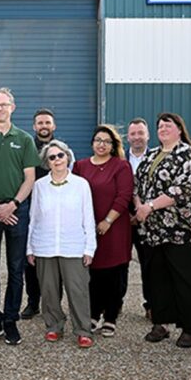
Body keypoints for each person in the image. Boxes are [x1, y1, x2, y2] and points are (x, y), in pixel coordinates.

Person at [0, 88, 41, 346]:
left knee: (16, 268)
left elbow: (30, 178)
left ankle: (10, 320)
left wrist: (12, 205)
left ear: (13, 107)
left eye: (4, 104)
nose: (0, 109)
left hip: (17, 210)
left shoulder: (24, 139)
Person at [134, 113, 191, 348]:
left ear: (179, 129)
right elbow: (137, 184)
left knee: (186, 280)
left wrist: (150, 206)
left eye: (168, 125)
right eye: (160, 126)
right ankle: (162, 323)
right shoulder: (152, 155)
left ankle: (190, 328)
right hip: (154, 231)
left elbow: (184, 188)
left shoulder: (188, 153)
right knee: (158, 279)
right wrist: (139, 207)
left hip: (182, 229)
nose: (163, 129)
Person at [27, 140, 96, 348]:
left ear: (68, 157)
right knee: (48, 290)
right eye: (52, 157)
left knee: (78, 290)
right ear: (47, 162)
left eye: (60, 155)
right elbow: (34, 217)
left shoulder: (81, 184)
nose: (57, 160)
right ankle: (54, 326)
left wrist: (89, 248)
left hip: (73, 246)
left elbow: (88, 217)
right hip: (44, 245)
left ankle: (83, 330)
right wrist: (30, 248)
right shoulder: (39, 186)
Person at [73, 124, 133, 337]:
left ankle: (110, 317)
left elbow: (124, 195)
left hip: (115, 227)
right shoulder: (80, 166)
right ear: (92, 143)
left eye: (106, 141)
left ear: (113, 145)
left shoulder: (121, 166)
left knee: (114, 274)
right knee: (93, 272)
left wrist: (108, 220)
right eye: (98, 140)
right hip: (89, 228)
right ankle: (93, 313)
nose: (101, 144)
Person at [22, 108, 57, 320]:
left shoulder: (60, 149)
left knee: (55, 258)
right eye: (40, 123)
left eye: (47, 123)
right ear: (34, 127)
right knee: (31, 259)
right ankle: (33, 302)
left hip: (55, 211)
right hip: (31, 209)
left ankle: (53, 304)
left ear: (53, 126)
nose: (44, 126)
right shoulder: (28, 147)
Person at [125, 118, 152, 318]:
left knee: (150, 264)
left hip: (149, 221)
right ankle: (114, 304)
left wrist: (143, 211)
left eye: (140, 133)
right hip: (122, 220)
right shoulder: (118, 159)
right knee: (119, 264)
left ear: (147, 135)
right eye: (133, 134)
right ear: (128, 137)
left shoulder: (157, 157)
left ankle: (151, 304)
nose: (137, 138)